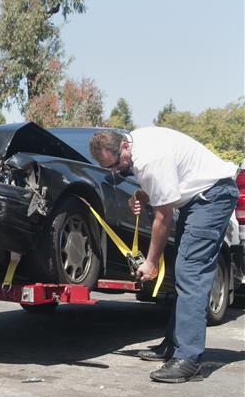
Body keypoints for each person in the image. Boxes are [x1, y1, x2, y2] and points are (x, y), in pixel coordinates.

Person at [89, 127, 238, 383]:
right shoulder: (137, 147)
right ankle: (173, 345)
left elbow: (163, 217)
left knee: (190, 273)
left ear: (124, 147)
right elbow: (168, 184)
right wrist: (143, 195)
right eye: (108, 168)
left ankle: (188, 361)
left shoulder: (149, 159)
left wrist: (150, 262)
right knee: (184, 270)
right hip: (197, 199)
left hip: (212, 197)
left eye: (114, 165)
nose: (114, 171)